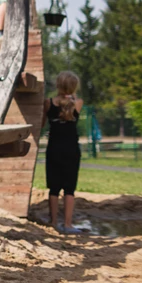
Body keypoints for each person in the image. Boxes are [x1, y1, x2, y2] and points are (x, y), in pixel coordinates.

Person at [45, 70, 84, 233]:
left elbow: (41, 124)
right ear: (74, 86)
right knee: (69, 189)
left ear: (58, 85)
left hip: (54, 149)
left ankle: (53, 222)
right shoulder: (78, 103)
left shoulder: (48, 103)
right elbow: (70, 105)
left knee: (53, 189)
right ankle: (68, 224)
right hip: (71, 150)